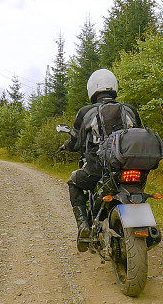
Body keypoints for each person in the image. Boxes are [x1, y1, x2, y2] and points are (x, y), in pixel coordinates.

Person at [59, 69, 141, 251]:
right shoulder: (129, 110)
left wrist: (67, 146)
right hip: (130, 168)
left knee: (74, 182)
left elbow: (76, 141)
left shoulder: (86, 113)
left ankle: (84, 227)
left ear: (92, 89)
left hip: (97, 170)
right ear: (113, 87)